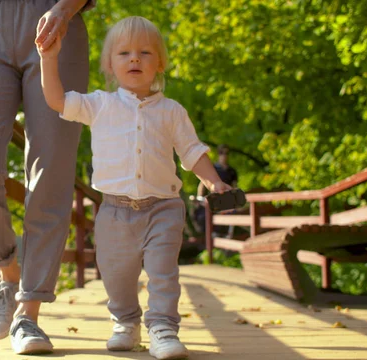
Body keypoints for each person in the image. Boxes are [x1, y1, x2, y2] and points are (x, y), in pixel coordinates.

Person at [38, 16, 232, 360]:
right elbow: (55, 100)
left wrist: (213, 180)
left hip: (164, 208)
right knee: (116, 275)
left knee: (162, 272)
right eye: (124, 53)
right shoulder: (98, 104)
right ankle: (126, 322)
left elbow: (191, 151)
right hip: (114, 211)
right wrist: (48, 59)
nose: (135, 59)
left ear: (160, 64)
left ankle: (163, 328)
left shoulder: (172, 111)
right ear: (110, 65)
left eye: (145, 52)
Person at [0, 0, 94, 355]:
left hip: (56, 16)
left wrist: (64, 10)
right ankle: (8, 274)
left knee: (51, 173)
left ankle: (29, 312)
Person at [194, 144, 238, 236]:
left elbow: (234, 187)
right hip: (214, 199)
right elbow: (203, 184)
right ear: (218, 154)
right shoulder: (213, 169)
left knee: (232, 215)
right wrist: (199, 198)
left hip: (227, 200)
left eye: (226, 153)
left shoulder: (232, 171)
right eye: (222, 152)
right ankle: (212, 236)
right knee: (204, 215)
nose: (224, 155)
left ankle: (226, 236)